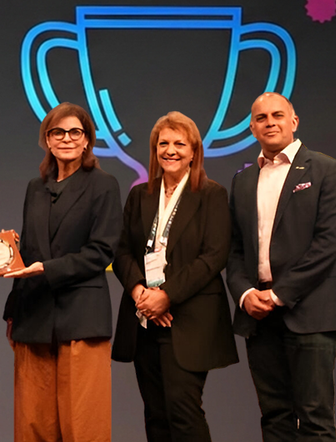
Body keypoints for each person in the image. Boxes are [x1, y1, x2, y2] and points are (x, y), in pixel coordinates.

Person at [224, 93, 336, 442]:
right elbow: (234, 249)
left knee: (314, 419)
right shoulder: (243, 180)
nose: (270, 122)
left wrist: (279, 294)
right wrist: (245, 294)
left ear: (294, 122)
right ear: (252, 129)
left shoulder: (327, 170)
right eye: (261, 118)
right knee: (274, 417)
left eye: (277, 115)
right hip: (259, 316)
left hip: (310, 311)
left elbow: (329, 243)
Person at [111, 112, 239, 442]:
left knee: (183, 413)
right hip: (144, 319)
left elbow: (213, 256)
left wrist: (165, 296)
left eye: (179, 144)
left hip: (190, 320)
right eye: (163, 143)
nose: (170, 150)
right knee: (156, 415)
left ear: (194, 151)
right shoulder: (140, 195)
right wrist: (140, 292)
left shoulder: (211, 194)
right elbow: (122, 251)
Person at [3, 101, 122, 442]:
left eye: (75, 132)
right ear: (47, 139)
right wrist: (12, 312)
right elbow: (28, 251)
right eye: (58, 132)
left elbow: (101, 251)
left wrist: (48, 269)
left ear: (87, 140)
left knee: (83, 426)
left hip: (82, 317)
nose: (66, 138)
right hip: (33, 317)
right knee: (32, 425)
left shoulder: (103, 185)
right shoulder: (35, 187)